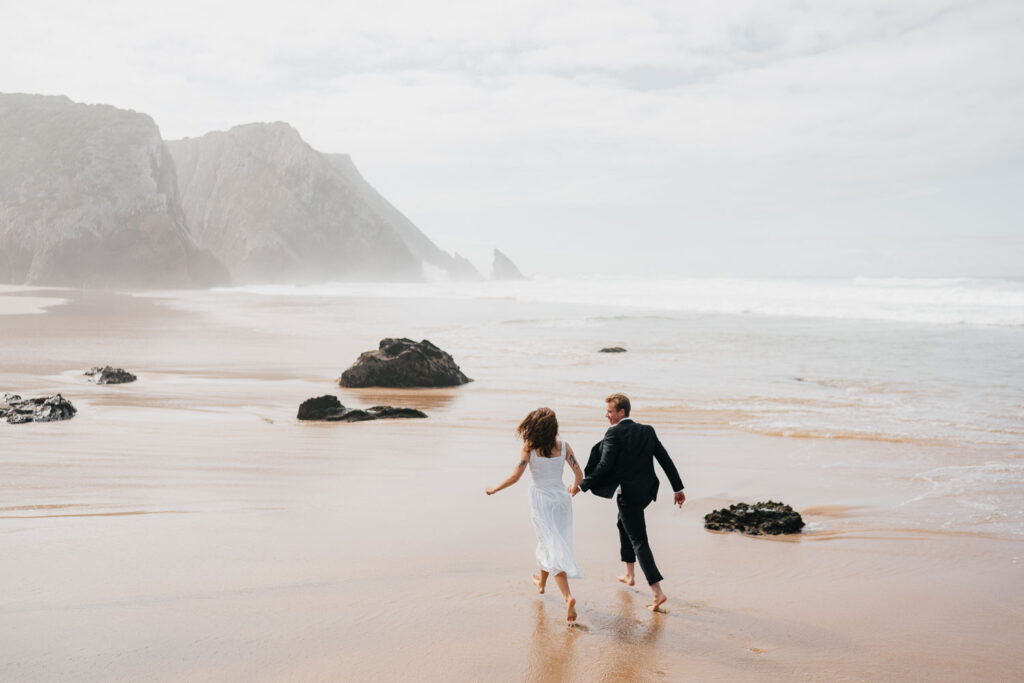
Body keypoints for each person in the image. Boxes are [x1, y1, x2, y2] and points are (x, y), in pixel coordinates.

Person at [579, 393, 685, 612]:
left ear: (621, 412)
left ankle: (657, 592)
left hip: (628, 494)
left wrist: (582, 485)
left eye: (609, 411)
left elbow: (605, 466)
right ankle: (629, 574)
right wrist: (678, 488)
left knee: (639, 539)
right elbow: (664, 459)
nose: (606, 415)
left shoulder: (613, 433)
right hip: (646, 492)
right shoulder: (647, 430)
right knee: (622, 523)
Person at [486, 407, 584, 623]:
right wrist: (574, 488)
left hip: (541, 500)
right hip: (561, 499)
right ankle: (541, 584)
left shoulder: (530, 448)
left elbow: (515, 476)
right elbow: (579, 474)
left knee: (551, 546)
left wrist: (494, 489)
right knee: (550, 541)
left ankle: (568, 597)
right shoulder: (564, 446)